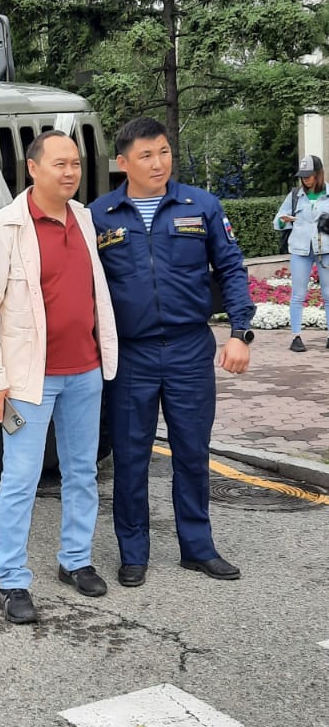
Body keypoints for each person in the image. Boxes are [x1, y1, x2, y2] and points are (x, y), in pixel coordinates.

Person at [89, 117, 255, 587]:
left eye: (163, 152)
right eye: (145, 155)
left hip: (188, 350)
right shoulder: (98, 216)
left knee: (191, 452)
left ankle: (197, 548)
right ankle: (133, 552)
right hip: (130, 357)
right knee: (130, 455)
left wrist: (240, 332)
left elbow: (231, 268)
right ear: (123, 163)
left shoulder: (200, 205)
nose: (158, 162)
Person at [0, 132, 118, 625]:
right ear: (33, 169)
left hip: (85, 373)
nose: (70, 172)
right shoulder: (6, 227)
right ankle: (11, 580)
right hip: (28, 382)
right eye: (59, 164)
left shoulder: (84, 218)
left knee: (82, 472)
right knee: (21, 477)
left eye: (75, 163)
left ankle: (75, 560)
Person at [273, 155, 329, 352]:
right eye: (302, 176)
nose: (305, 179)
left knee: (328, 294)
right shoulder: (295, 195)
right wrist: (284, 220)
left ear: (318, 174)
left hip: (325, 250)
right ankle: (296, 336)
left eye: (309, 175)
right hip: (300, 250)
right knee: (298, 294)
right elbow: (277, 221)